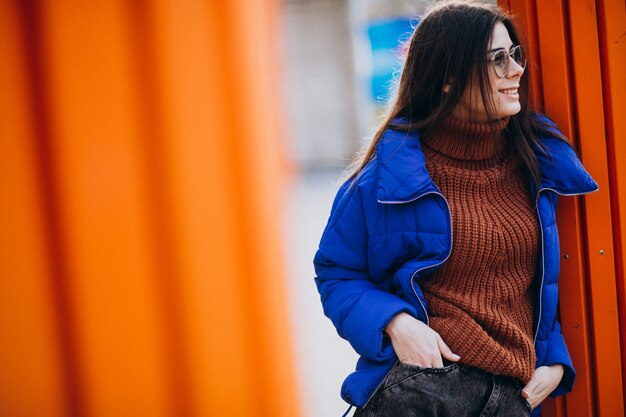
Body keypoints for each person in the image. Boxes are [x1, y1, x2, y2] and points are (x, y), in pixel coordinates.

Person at [313, 1, 598, 416]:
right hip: (423, 392)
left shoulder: (537, 163)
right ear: (447, 78)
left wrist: (554, 360)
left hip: (514, 400)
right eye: (497, 59)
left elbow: (534, 285)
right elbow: (337, 273)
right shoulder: (384, 178)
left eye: (515, 54)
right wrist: (395, 323)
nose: (516, 69)